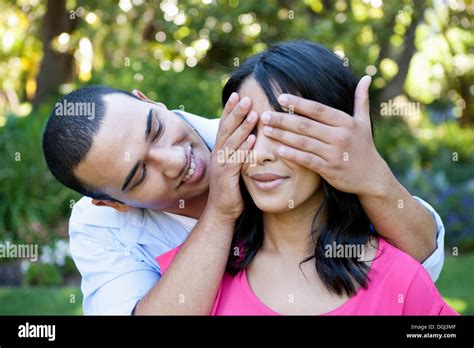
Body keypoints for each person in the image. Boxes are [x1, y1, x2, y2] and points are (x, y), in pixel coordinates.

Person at [43, 50, 445, 316]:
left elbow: (423, 259)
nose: (175, 160)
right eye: (140, 174)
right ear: (113, 204)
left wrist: (373, 177)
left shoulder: (259, 129)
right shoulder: (98, 227)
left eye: (155, 130)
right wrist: (220, 210)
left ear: (149, 101)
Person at [156, 41, 457, 315]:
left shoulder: (400, 279)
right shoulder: (196, 277)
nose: (259, 154)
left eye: (285, 131)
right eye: (247, 131)